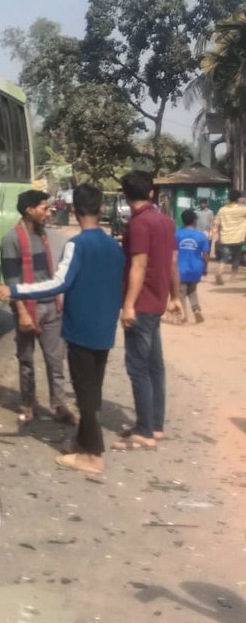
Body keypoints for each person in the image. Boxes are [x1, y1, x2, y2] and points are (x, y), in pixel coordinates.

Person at [0, 184, 124, 474]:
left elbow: (59, 283)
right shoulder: (114, 246)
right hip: (104, 328)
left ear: (75, 211)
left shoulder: (77, 244)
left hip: (80, 329)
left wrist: (14, 291)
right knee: (91, 389)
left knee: (85, 394)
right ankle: (81, 443)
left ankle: (93, 455)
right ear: (101, 208)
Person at [115, 170, 182, 451]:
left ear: (126, 196)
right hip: (157, 301)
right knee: (155, 366)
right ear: (152, 193)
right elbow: (172, 263)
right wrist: (176, 297)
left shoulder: (139, 224)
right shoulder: (165, 222)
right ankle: (155, 425)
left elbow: (139, 265)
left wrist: (128, 304)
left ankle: (144, 431)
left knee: (138, 366)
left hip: (141, 304)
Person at [0, 189, 76, 425]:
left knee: (56, 360)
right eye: (43, 208)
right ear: (29, 210)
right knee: (26, 360)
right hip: (27, 308)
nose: (48, 212)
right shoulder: (11, 240)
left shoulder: (47, 236)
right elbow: (12, 281)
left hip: (51, 306)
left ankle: (59, 405)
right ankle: (28, 404)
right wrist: (22, 313)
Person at [176, 208, 210, 324]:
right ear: (194, 221)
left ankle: (183, 315)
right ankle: (196, 310)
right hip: (196, 268)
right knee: (192, 291)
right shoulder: (201, 236)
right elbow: (205, 254)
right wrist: (205, 268)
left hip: (180, 269)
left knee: (181, 292)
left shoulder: (177, 235)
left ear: (182, 221)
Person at [210, 189, 246, 286]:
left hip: (225, 238)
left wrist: (213, 232)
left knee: (224, 258)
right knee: (236, 258)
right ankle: (233, 277)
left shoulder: (222, 210)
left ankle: (219, 273)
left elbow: (216, 223)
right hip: (238, 238)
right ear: (238, 198)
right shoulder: (243, 209)